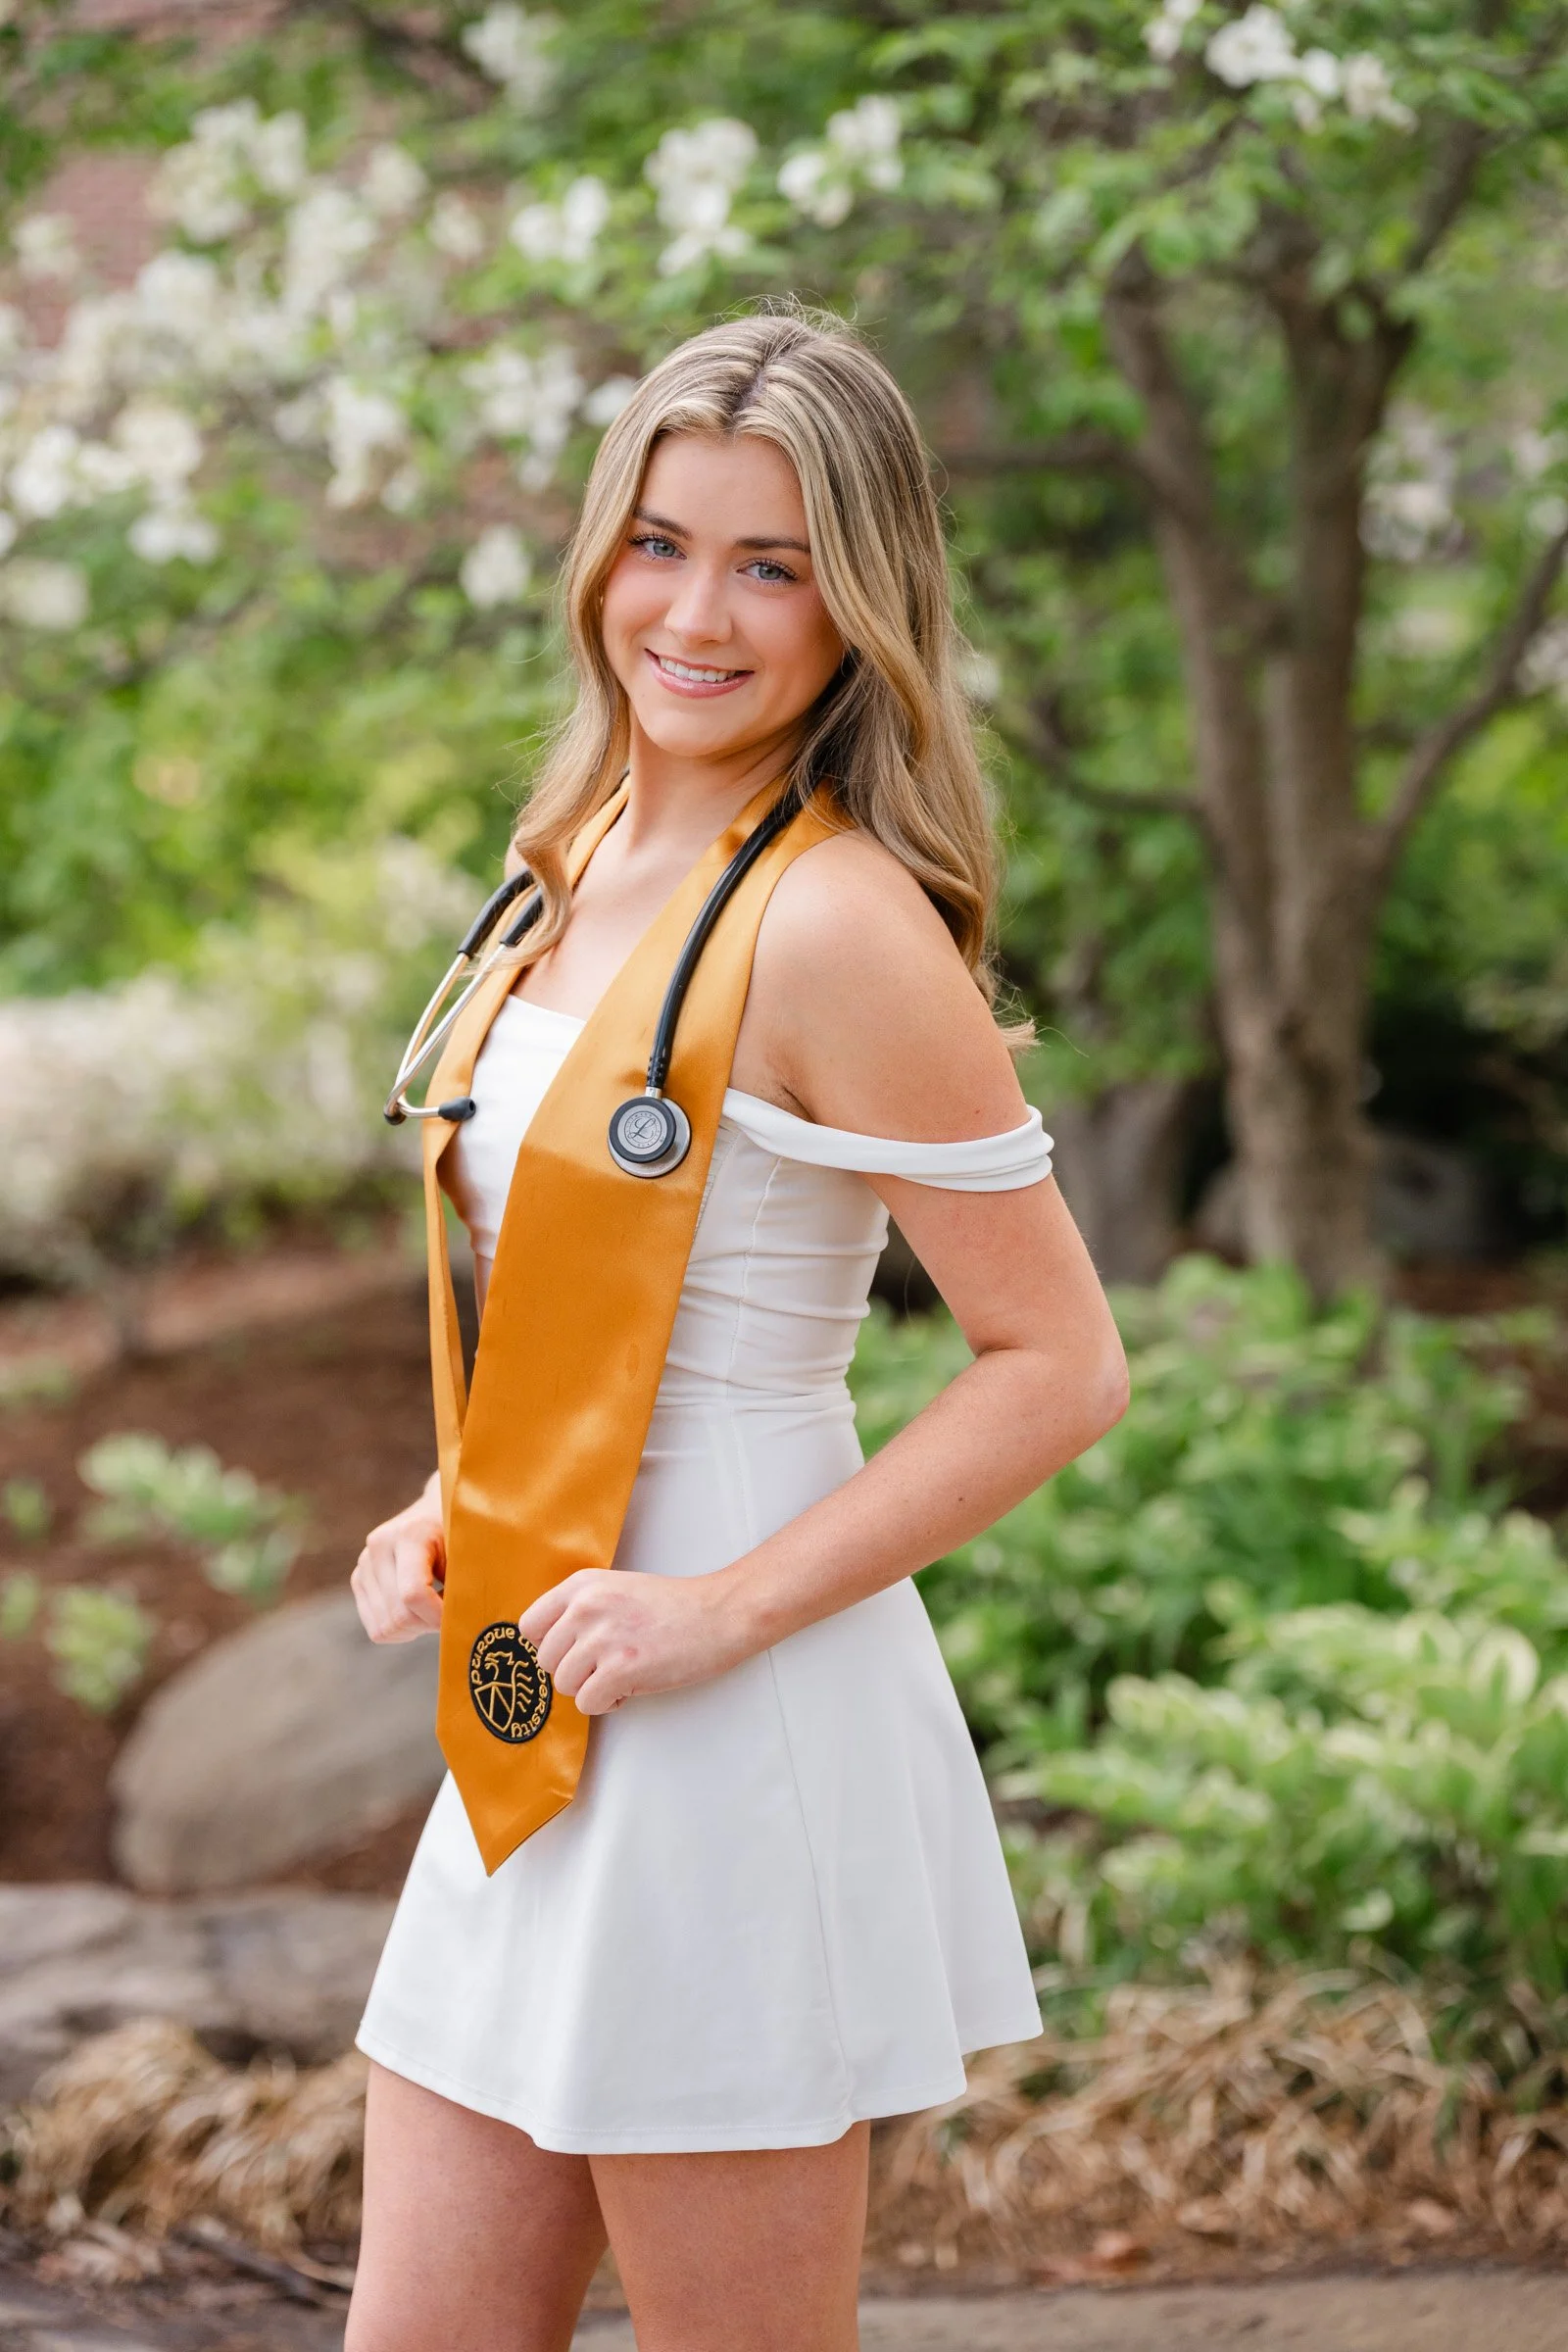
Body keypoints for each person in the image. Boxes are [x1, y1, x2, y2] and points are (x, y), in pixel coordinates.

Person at [346, 308, 1128, 2352]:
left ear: (858, 605)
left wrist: (715, 1617)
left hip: (723, 1712)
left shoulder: (837, 923)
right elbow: (594, 1285)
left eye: (770, 564)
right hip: (534, 1682)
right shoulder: (572, 859)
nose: (694, 613)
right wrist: (456, 1493)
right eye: (660, 543)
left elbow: (1056, 1366)